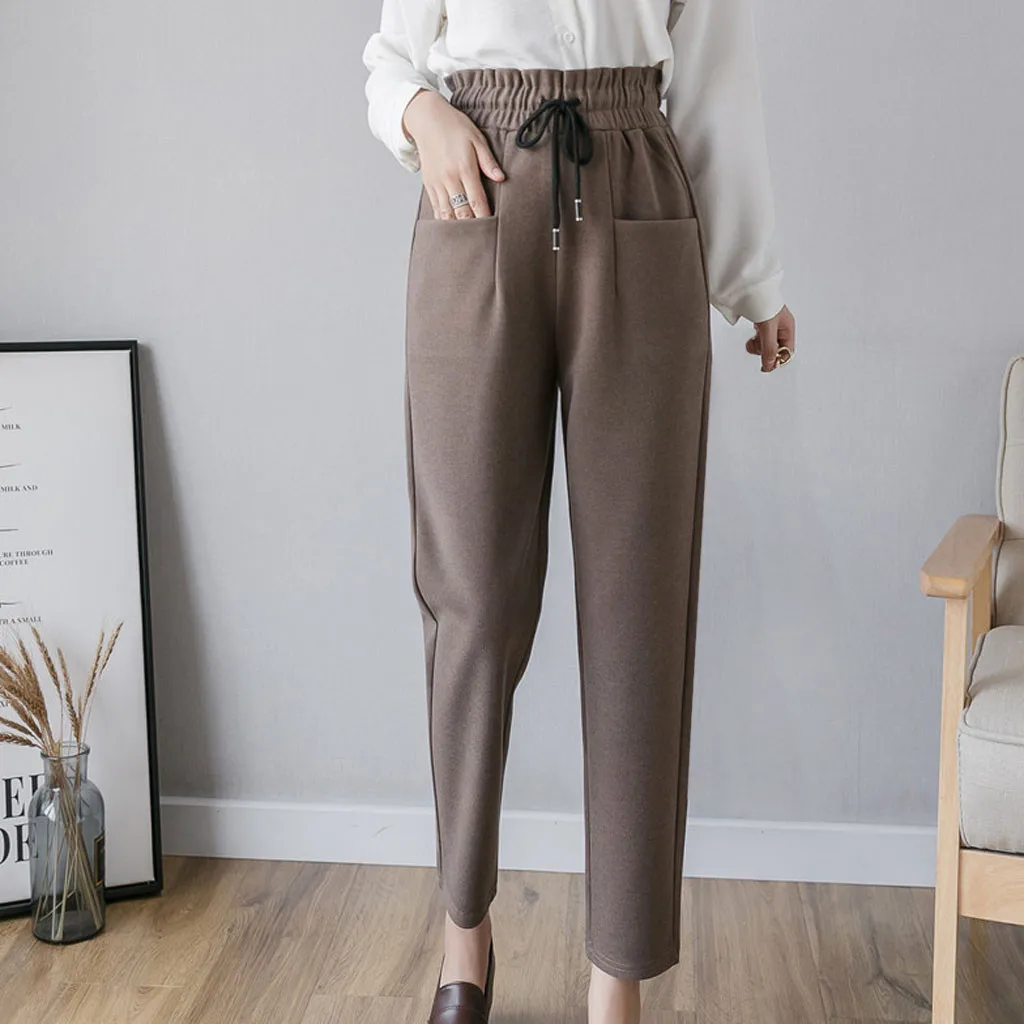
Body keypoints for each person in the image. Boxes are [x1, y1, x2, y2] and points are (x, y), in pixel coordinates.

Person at [362, 2, 797, 1021]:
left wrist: (752, 278)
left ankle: (618, 981)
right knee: (470, 602)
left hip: (637, 184)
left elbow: (715, 84)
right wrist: (423, 114)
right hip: (477, 193)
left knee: (639, 610)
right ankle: (462, 944)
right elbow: (390, 59)